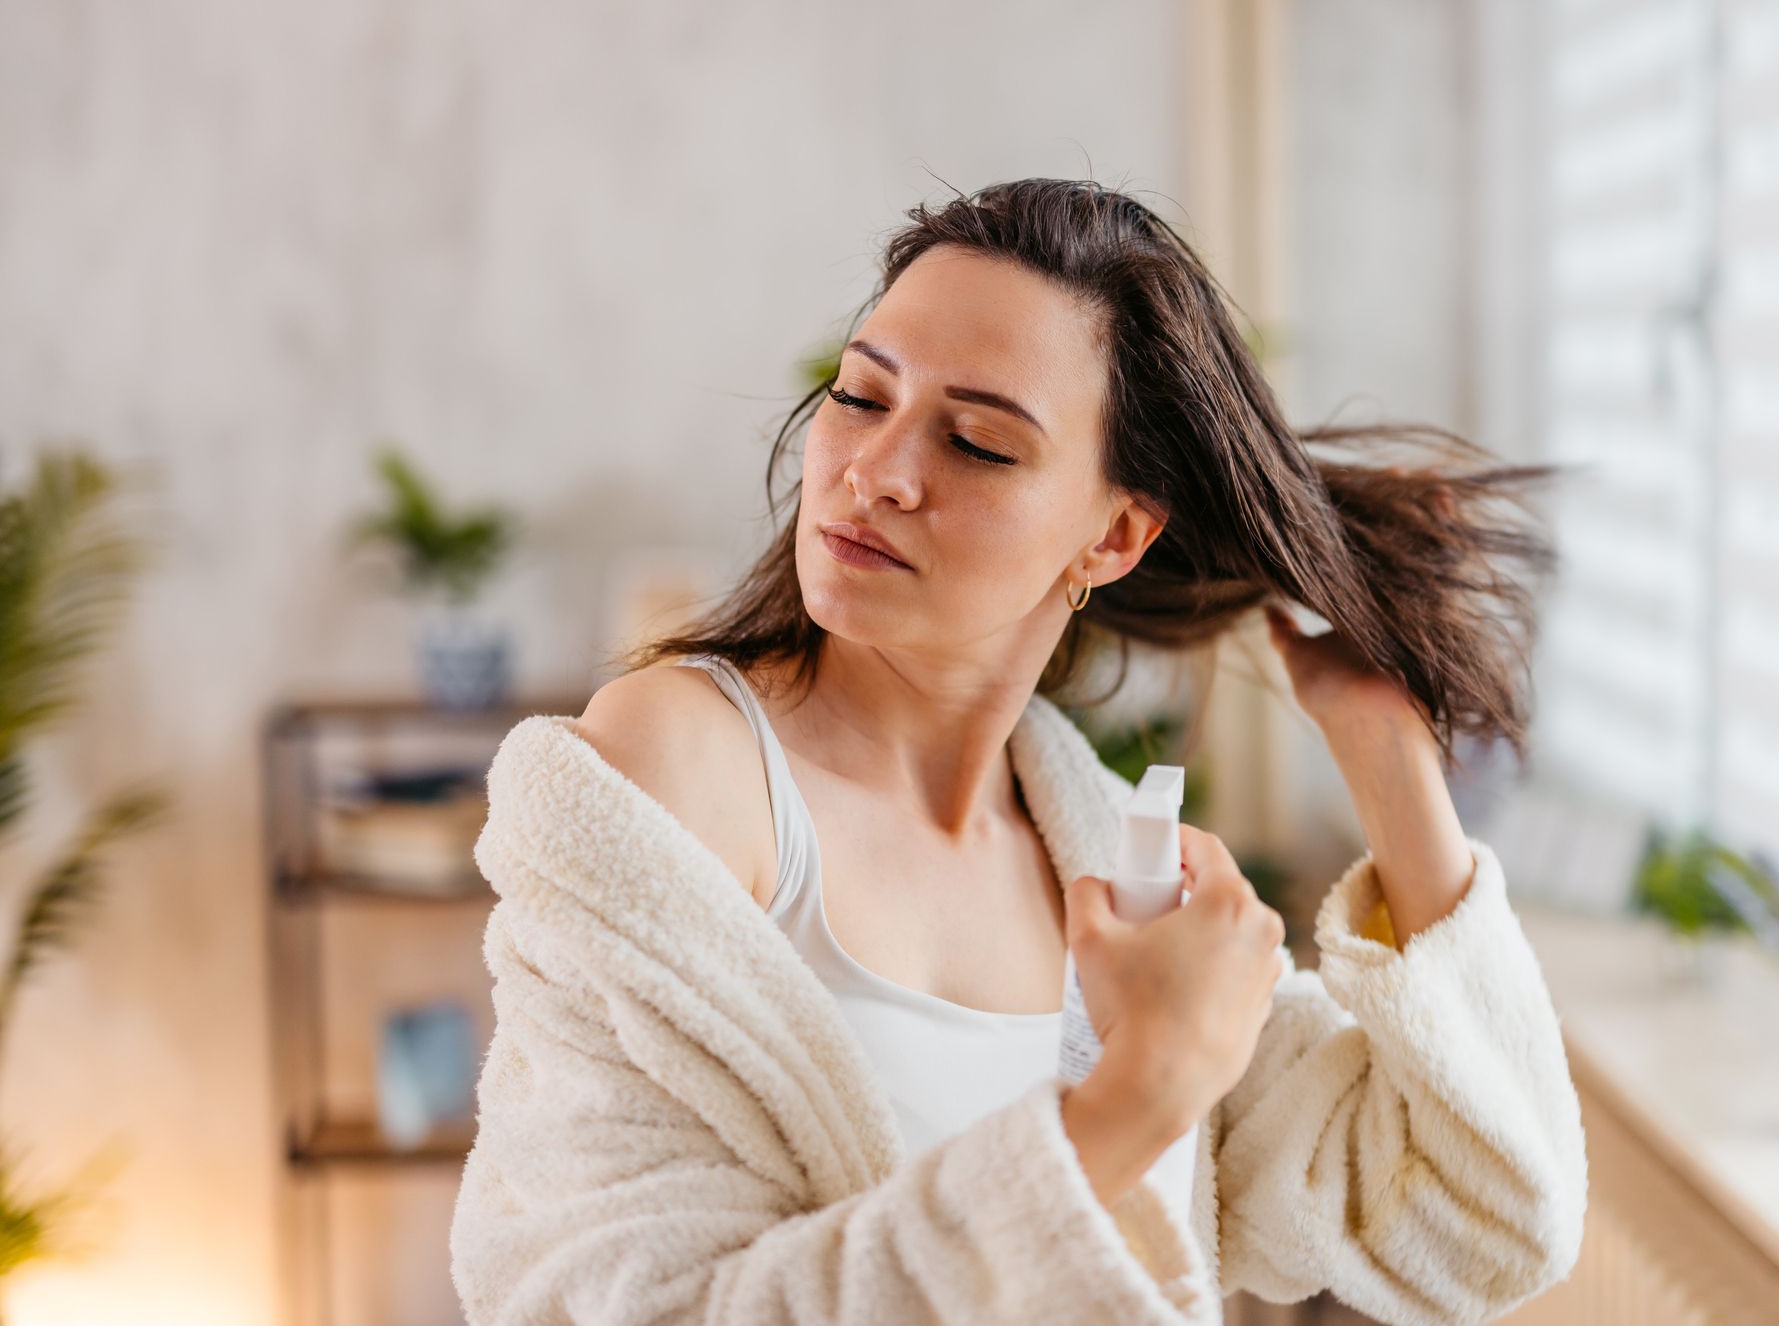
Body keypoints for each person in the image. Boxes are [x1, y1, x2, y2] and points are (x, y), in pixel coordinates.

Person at [449, 177, 1588, 1324]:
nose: (874, 470)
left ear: (1113, 532)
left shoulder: (1091, 846)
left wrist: (1380, 747)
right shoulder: (680, 772)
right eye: (858, 394)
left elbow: (1482, 1220)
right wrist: (1139, 1095)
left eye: (978, 443)